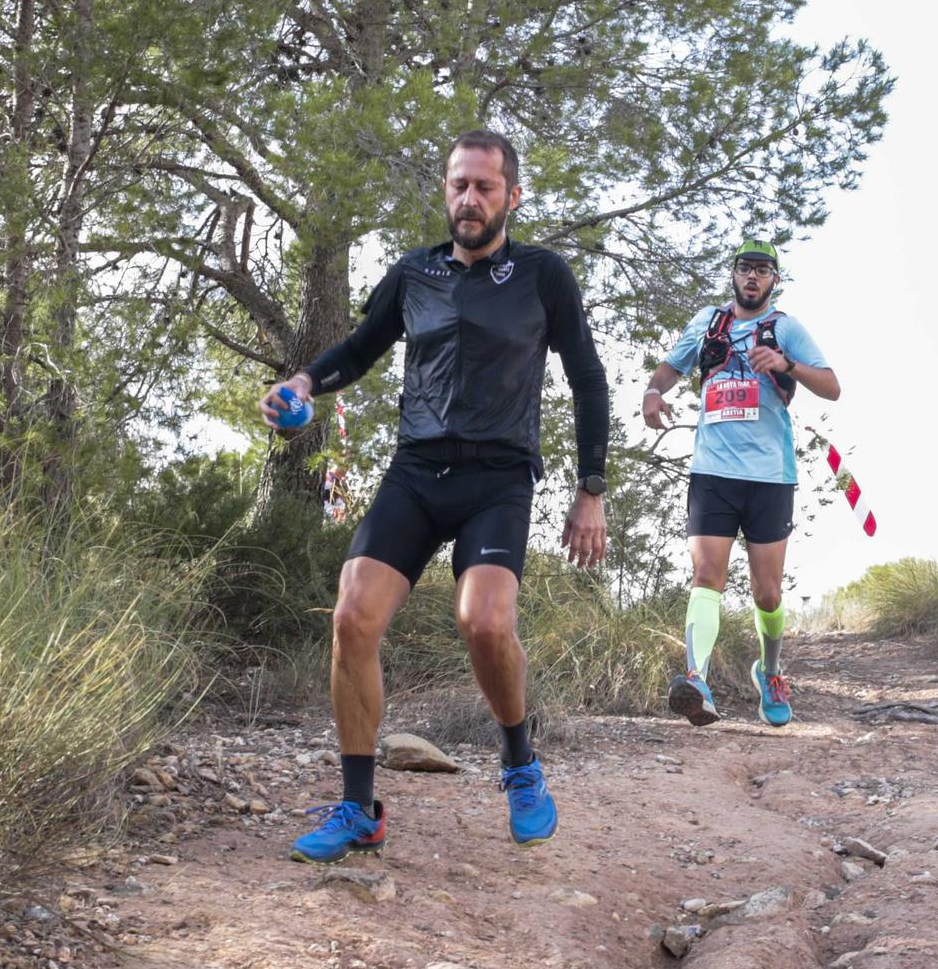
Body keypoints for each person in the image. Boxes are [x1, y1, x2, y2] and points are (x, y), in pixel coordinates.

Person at [258, 129, 609, 864]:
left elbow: (587, 379)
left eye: (485, 186)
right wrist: (302, 384)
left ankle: (519, 761)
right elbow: (358, 348)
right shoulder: (414, 273)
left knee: (483, 620)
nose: (470, 198)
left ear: (513, 194)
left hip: (498, 477)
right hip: (417, 471)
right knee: (353, 615)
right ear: (444, 192)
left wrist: (591, 488)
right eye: (459, 185)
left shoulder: (544, 275)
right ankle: (358, 809)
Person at [641, 240, 838, 727]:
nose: (753, 277)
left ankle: (769, 671)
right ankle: (696, 679)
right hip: (713, 471)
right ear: (733, 274)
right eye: (746, 268)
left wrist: (787, 365)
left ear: (774, 280)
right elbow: (671, 367)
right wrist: (651, 391)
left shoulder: (785, 328)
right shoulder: (709, 323)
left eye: (763, 270)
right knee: (707, 574)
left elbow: (832, 387)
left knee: (766, 593)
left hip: (770, 475)